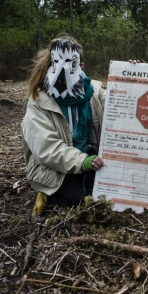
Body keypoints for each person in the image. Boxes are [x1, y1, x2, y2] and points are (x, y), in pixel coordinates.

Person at [22, 36, 105, 218]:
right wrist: (83, 162)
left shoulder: (95, 93)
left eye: (69, 62)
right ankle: (47, 194)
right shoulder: (39, 101)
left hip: (89, 160)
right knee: (86, 204)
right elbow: (46, 149)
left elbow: (122, 110)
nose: (62, 68)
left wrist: (132, 74)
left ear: (81, 67)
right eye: (57, 62)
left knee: (107, 197)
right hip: (54, 169)